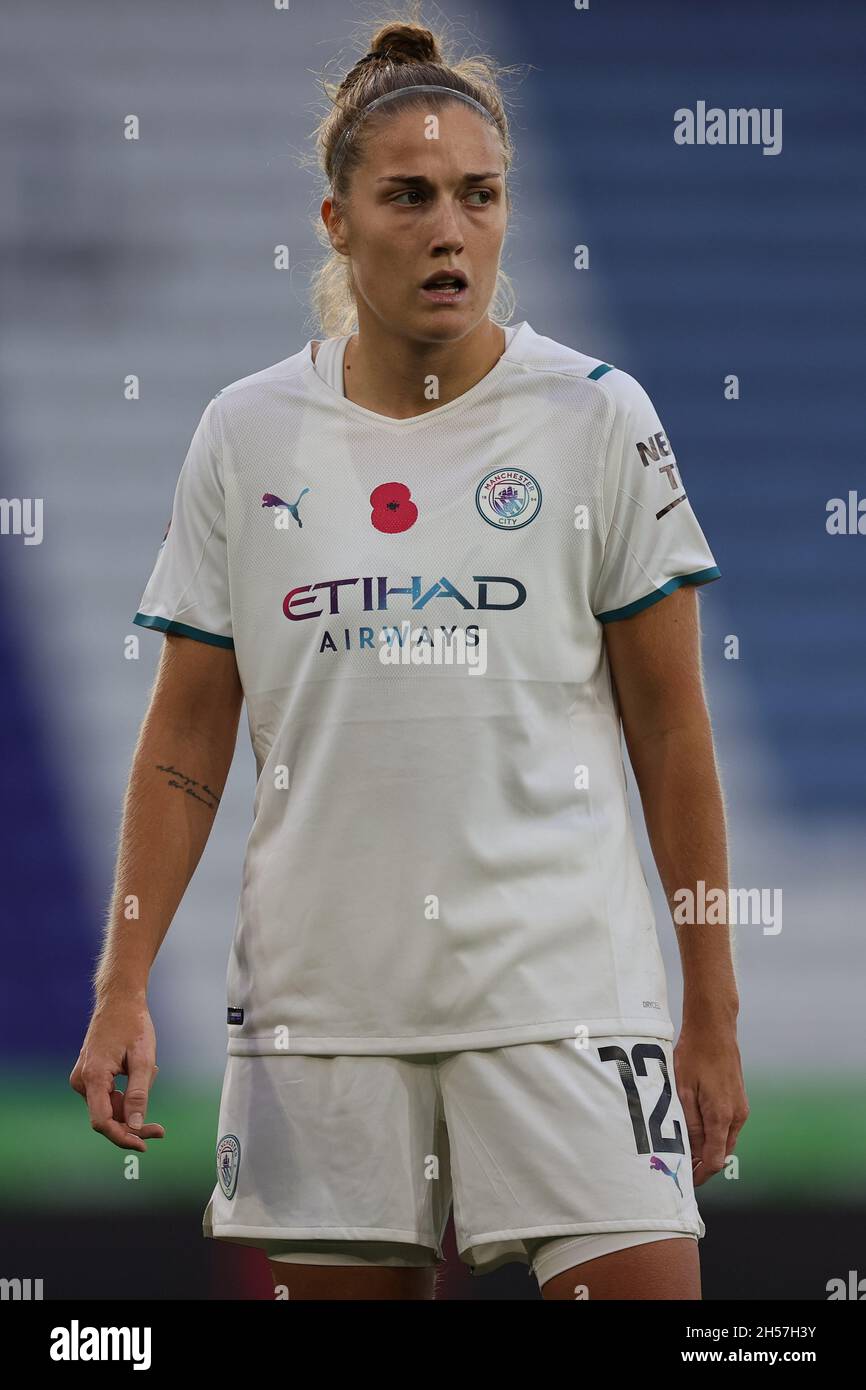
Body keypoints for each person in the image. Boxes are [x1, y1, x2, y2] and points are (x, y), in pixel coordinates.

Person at [70, 14, 748, 1301]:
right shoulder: (246, 431)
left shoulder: (594, 415)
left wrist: (709, 1008)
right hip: (321, 1022)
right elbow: (184, 742)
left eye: (479, 197)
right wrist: (123, 983)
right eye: (410, 196)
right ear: (335, 221)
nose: (450, 230)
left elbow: (671, 732)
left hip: (567, 1004)